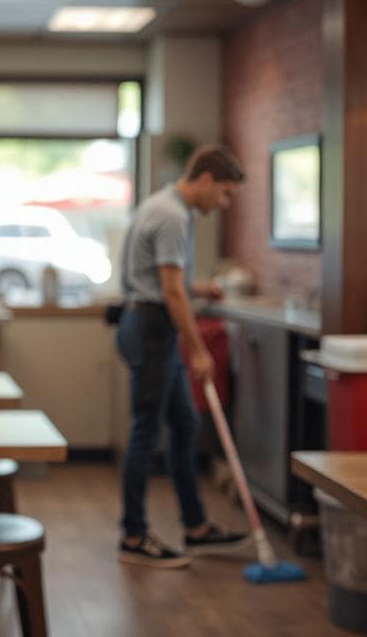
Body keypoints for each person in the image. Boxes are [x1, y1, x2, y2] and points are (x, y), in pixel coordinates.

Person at [115, 144, 247, 568]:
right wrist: (198, 349)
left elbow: (165, 281)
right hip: (153, 329)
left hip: (147, 323)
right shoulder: (173, 216)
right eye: (224, 193)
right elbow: (167, 291)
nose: (224, 203)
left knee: (185, 424)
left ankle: (196, 527)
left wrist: (200, 288)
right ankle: (133, 537)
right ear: (206, 179)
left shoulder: (163, 204)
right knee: (144, 433)